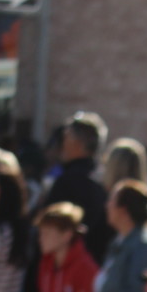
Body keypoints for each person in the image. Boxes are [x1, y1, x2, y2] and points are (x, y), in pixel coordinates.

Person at [44, 112, 110, 263]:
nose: (62, 144)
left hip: (67, 265)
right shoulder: (102, 181)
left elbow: (50, 228)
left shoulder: (68, 182)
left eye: (66, 137)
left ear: (77, 143)